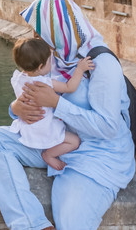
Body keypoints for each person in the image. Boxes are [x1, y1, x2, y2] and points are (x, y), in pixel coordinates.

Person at [0, 0, 135, 230]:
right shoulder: (57, 57)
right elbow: (34, 92)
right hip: (58, 140)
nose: (36, 37)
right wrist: (16, 109)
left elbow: (108, 127)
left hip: (96, 154)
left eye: (40, 31)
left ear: (59, 29)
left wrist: (56, 104)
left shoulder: (102, 65)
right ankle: (33, 225)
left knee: (71, 223)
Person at [10, 36, 95, 171]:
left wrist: (42, 49)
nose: (52, 62)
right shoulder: (44, 83)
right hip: (45, 129)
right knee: (75, 141)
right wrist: (79, 69)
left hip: (28, 129)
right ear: (40, 66)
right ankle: (49, 155)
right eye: (50, 60)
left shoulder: (17, 79)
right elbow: (69, 87)